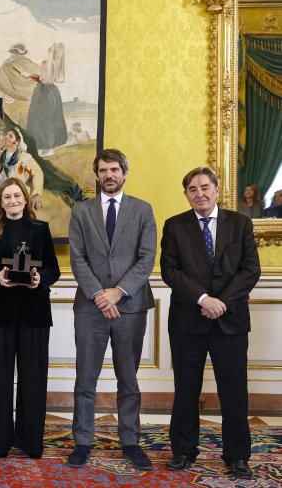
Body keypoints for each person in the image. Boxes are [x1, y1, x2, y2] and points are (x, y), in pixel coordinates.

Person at [161, 166, 260, 480]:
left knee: (234, 391)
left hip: (229, 323)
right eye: (192, 189)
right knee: (186, 390)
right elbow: (170, 271)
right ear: (186, 194)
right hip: (188, 321)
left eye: (205, 187)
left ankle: (237, 456)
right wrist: (203, 299)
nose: (199, 193)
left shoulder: (240, 223)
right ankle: (183, 451)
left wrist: (222, 303)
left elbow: (250, 270)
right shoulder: (174, 226)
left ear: (217, 190)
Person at [66, 149, 157, 470]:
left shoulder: (143, 210)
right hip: (90, 307)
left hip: (130, 306)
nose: (109, 175)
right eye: (103, 170)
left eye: (115, 169)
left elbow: (146, 258)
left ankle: (130, 442)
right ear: (96, 174)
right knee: (85, 379)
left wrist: (117, 292)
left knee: (128, 379)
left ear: (124, 172)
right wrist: (98, 294)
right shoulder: (81, 212)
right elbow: (77, 257)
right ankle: (82, 442)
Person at [0, 177, 60, 458]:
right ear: (0, 202)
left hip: (34, 313)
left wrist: (38, 279)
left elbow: (53, 270)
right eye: (7, 197)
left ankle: (29, 440)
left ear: (25, 199)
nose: (12, 201)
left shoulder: (40, 229)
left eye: (16, 196)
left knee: (33, 379)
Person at [27, 43, 67, 157]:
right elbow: (52, 79)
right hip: (52, 92)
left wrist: (32, 76)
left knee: (42, 119)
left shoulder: (46, 63)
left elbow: (43, 79)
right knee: (51, 118)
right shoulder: (58, 66)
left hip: (44, 92)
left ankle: (45, 147)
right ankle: (48, 146)